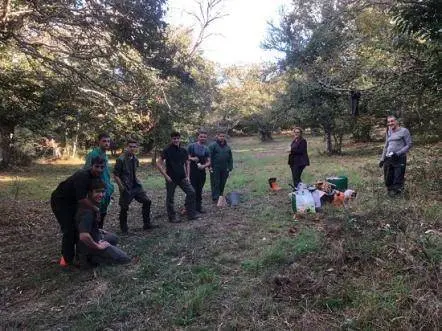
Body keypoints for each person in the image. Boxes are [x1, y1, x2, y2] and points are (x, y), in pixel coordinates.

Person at [50, 156, 105, 266]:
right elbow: (82, 199)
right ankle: (66, 259)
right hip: (61, 201)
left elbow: (94, 194)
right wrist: (96, 209)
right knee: (69, 229)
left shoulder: (97, 177)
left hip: (74, 201)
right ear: (91, 166)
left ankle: (80, 256)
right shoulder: (82, 176)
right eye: (96, 166)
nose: (99, 169)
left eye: (101, 167)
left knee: (78, 227)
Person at [76, 178, 131, 266]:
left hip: (95, 238)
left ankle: (101, 252)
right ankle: (90, 258)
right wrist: (97, 246)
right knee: (125, 259)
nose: (101, 195)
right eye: (97, 192)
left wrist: (98, 230)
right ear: (90, 193)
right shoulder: (87, 212)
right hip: (89, 245)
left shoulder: (91, 205)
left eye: (103, 192)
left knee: (114, 238)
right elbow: (83, 236)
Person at [113, 139, 155, 233]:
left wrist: (137, 181)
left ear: (137, 148)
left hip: (136, 186)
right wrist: (121, 187)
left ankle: (147, 224)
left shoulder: (135, 159)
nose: (132, 148)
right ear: (126, 147)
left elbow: (134, 172)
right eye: (130, 146)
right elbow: (115, 175)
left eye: (134, 147)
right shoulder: (121, 159)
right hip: (126, 187)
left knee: (147, 201)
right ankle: (124, 229)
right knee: (124, 207)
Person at [156, 131, 198, 222]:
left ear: (180, 139)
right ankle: (172, 217)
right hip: (171, 178)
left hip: (182, 177)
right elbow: (158, 163)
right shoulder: (167, 150)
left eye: (177, 138)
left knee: (191, 192)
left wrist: (188, 176)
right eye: (174, 139)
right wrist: (166, 176)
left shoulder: (183, 150)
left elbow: (187, 163)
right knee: (170, 198)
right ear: (171, 139)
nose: (176, 140)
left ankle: (190, 214)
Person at [84, 133, 115, 229]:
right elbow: (87, 171)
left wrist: (110, 187)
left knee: (103, 213)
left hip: (105, 188)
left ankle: (99, 232)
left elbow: (106, 172)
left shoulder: (105, 155)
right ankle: (93, 234)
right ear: (99, 142)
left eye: (108, 141)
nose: (107, 143)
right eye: (104, 141)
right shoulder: (92, 154)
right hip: (96, 189)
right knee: (95, 213)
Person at [379, 115, 412, 196]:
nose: (390, 123)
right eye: (389, 122)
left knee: (398, 177)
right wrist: (382, 159)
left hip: (399, 158)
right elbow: (386, 145)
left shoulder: (404, 131)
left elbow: (409, 144)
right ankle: (390, 193)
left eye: (392, 121)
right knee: (388, 178)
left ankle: (398, 194)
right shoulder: (388, 131)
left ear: (397, 121)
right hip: (388, 158)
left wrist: (398, 153)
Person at [187, 130, 211, 213]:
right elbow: (186, 158)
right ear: (198, 137)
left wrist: (204, 166)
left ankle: (198, 208)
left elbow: (209, 161)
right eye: (201, 136)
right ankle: (189, 208)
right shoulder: (191, 146)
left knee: (199, 190)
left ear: (206, 138)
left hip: (201, 173)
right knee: (192, 190)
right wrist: (193, 158)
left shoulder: (206, 149)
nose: (202, 138)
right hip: (192, 172)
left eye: (204, 137)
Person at [209, 131, 233, 203]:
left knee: (223, 182)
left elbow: (230, 158)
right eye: (220, 136)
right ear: (217, 136)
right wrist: (210, 166)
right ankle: (215, 197)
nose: (222, 138)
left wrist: (230, 167)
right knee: (215, 182)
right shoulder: (213, 146)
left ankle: (220, 196)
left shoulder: (227, 147)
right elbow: (209, 157)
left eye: (223, 136)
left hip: (225, 168)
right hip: (215, 167)